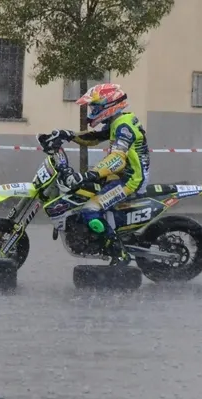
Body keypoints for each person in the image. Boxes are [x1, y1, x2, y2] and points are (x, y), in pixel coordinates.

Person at [38, 82, 151, 265]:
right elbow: (94, 138)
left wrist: (89, 175)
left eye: (95, 106)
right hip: (119, 176)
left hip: (130, 180)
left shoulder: (124, 127)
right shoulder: (119, 122)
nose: (92, 110)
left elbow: (118, 158)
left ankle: (120, 255)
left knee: (90, 209)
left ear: (108, 105)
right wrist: (67, 135)